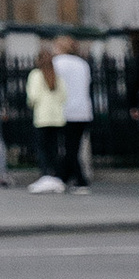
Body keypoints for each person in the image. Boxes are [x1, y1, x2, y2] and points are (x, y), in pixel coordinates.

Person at [52, 36, 94, 189]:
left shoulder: (57, 63)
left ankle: (80, 179)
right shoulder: (82, 64)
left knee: (68, 148)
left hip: (65, 110)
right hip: (83, 110)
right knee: (74, 146)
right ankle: (63, 176)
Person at [25, 47, 68, 191]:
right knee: (54, 148)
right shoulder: (57, 75)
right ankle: (56, 176)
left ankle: (45, 175)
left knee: (42, 148)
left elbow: (32, 97)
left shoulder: (35, 75)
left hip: (42, 117)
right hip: (57, 117)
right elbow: (64, 96)